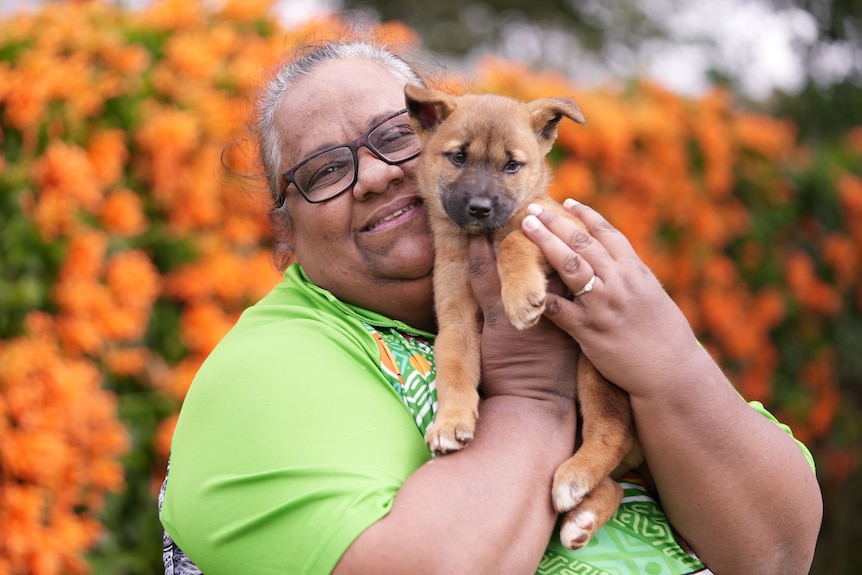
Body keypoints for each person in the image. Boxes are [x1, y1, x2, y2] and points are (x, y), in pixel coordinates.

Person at [158, 39, 822, 575]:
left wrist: (671, 361)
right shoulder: (267, 369)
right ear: (284, 231)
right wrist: (536, 395)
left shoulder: (574, 277)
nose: (379, 175)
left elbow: (778, 554)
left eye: (395, 136)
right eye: (326, 170)